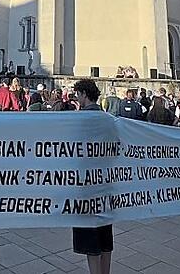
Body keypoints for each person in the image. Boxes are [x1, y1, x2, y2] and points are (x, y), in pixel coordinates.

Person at [71, 79, 113, 274]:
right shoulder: (107, 118)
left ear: (84, 95)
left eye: (78, 94)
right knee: (105, 234)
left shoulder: (81, 119)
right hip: (105, 183)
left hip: (86, 183)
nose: (76, 98)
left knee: (90, 237)